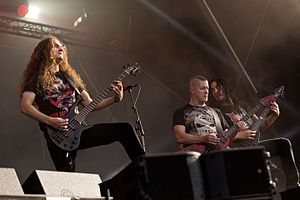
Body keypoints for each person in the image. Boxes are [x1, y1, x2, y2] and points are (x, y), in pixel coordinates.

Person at [19, 36, 145, 172]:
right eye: (55, 46)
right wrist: (50, 121)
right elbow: (25, 106)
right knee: (69, 179)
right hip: (57, 135)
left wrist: (115, 99)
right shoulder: (36, 79)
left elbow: (91, 104)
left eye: (61, 45)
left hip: (79, 130)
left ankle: (148, 169)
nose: (61, 48)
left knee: (124, 129)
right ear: (44, 52)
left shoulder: (70, 78)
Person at [209, 78, 299, 191]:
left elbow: (260, 125)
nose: (216, 91)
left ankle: (293, 187)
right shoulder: (215, 111)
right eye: (212, 90)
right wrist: (238, 135)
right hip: (237, 151)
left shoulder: (242, 105)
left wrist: (275, 115)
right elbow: (217, 137)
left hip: (254, 146)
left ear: (225, 87)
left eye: (218, 87)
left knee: (283, 143)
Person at [172, 75, 229, 153]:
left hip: (217, 154)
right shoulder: (180, 112)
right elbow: (180, 137)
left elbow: (227, 139)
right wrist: (203, 139)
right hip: (197, 156)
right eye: (202, 88)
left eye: (207, 88)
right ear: (192, 90)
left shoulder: (216, 112)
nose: (206, 92)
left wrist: (236, 130)